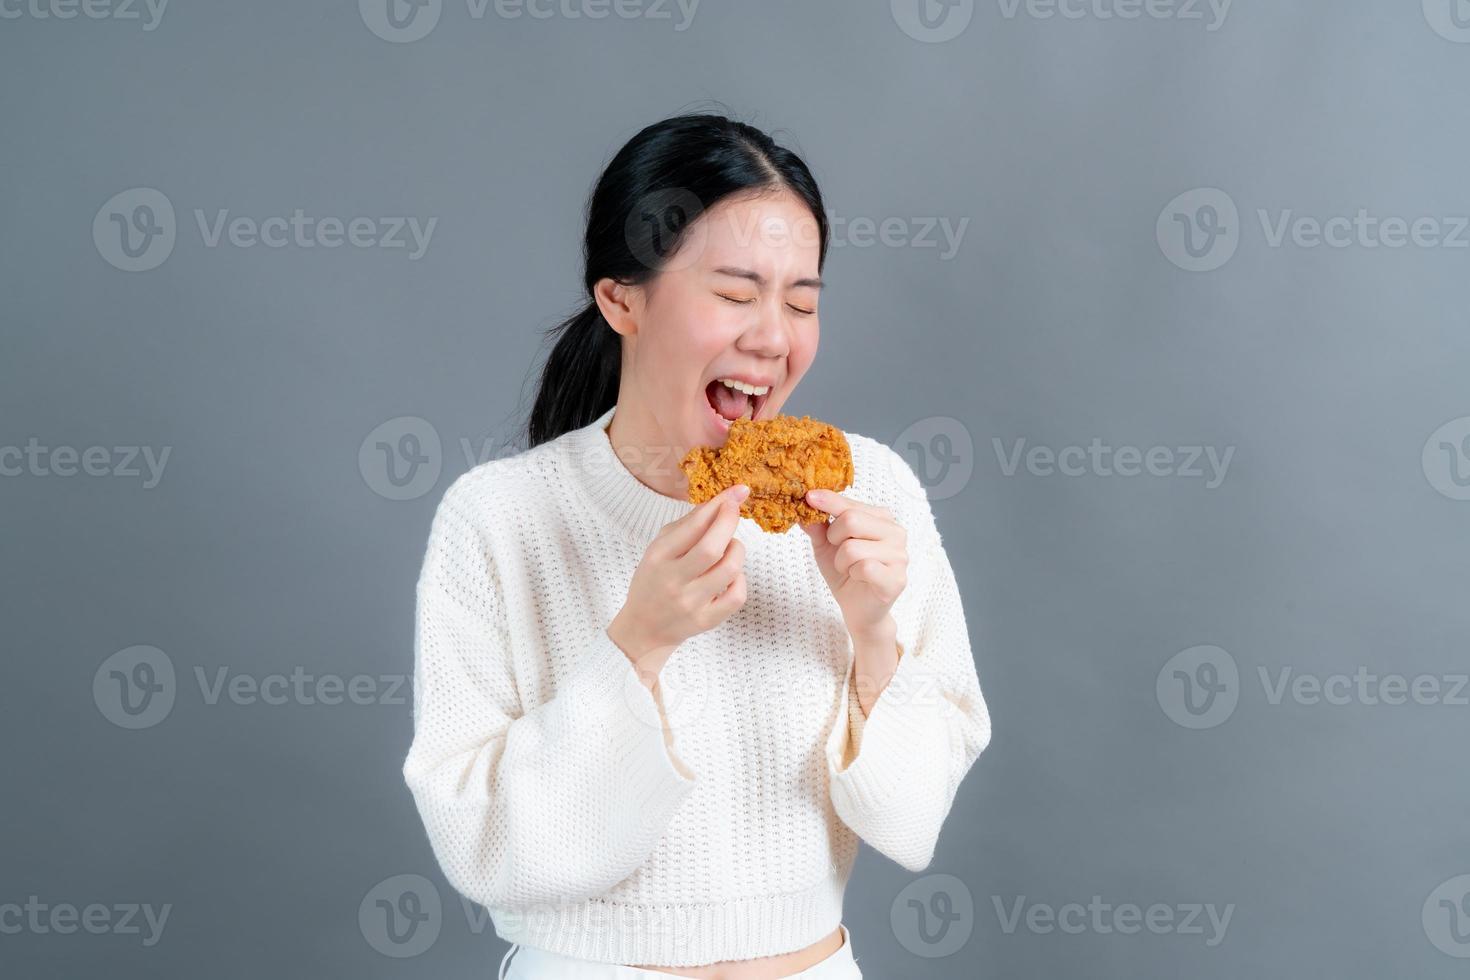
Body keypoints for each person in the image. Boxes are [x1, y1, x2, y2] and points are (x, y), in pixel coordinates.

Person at [402, 111, 992, 979]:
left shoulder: (873, 496)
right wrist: (637, 647)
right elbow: (487, 851)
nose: (773, 337)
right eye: (735, 292)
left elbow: (910, 826)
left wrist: (875, 637)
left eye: (801, 301)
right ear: (622, 300)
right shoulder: (499, 519)